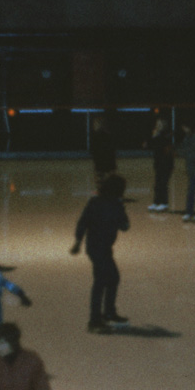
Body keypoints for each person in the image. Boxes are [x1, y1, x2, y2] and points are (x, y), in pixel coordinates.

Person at [70, 173, 131, 332]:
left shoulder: (94, 202)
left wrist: (78, 242)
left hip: (94, 247)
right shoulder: (115, 205)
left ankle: (106, 314)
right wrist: (122, 209)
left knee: (106, 279)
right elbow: (125, 226)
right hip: (102, 249)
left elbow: (83, 222)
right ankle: (96, 319)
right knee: (105, 280)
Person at [147, 116, 174, 211]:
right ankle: (156, 202)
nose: (157, 126)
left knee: (163, 184)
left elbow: (167, 151)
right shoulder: (156, 136)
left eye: (159, 124)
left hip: (166, 164)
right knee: (157, 184)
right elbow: (150, 146)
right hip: (158, 163)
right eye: (157, 124)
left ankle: (164, 203)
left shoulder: (166, 136)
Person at [89, 114, 117, 188]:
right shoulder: (108, 136)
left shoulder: (96, 136)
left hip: (100, 161)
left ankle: (102, 185)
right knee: (105, 174)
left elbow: (93, 149)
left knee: (101, 175)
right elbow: (112, 150)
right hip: (106, 160)